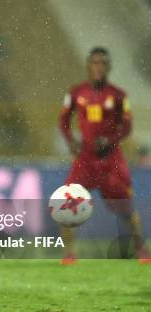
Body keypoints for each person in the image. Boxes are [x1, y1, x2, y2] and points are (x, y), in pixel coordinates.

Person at [58, 47, 150, 265]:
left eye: (103, 63)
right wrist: (71, 141)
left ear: (109, 67)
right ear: (88, 65)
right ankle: (69, 254)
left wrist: (110, 140)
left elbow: (126, 127)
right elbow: (63, 121)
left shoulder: (118, 95)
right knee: (66, 203)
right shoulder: (76, 92)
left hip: (112, 161)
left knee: (126, 208)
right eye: (95, 62)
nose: (98, 66)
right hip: (86, 160)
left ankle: (141, 249)